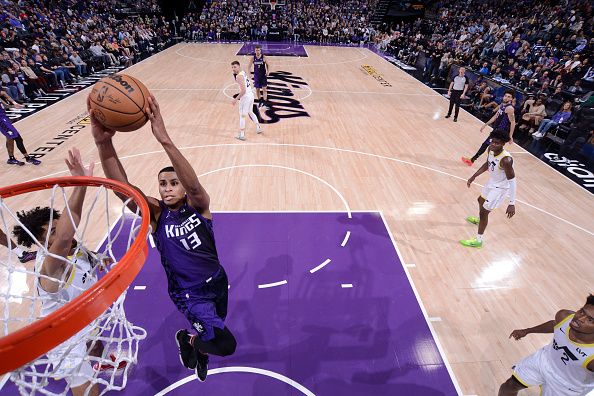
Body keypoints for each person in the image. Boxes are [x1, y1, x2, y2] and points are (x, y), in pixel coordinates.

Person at [91, 94, 237, 382]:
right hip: (190, 294)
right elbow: (123, 190)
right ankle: (190, 342)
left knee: (215, 328)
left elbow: (194, 186)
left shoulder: (199, 206)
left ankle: (200, 346)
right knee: (225, 344)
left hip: (218, 281)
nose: (167, 188)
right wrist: (103, 143)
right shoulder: (157, 215)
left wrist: (164, 138)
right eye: (162, 184)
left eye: (174, 184)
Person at [12, 148, 102, 396]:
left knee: (96, 341)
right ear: (40, 244)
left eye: (55, 227)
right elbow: (65, 236)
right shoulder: (51, 264)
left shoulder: (76, 248)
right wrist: (81, 184)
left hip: (82, 317)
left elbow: (71, 241)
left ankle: (100, 358)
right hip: (63, 335)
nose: (57, 236)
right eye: (47, 235)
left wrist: (99, 261)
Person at [498, 294, 594, 395]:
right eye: (582, 311)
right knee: (509, 386)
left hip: (568, 385)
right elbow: (554, 325)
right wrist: (527, 331)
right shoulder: (564, 316)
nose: (580, 318)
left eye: (590, 320)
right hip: (545, 361)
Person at [460, 129, 516, 248]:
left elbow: (512, 182)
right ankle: (480, 220)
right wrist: (473, 176)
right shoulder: (490, 150)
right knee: (480, 200)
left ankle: (478, 240)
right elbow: (487, 164)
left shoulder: (506, 160)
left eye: (497, 143)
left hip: (500, 188)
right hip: (491, 182)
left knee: (484, 211)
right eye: (492, 142)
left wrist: (512, 203)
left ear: (503, 144)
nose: (493, 144)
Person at [462, 89, 516, 166]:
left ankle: (473, 160)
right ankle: (487, 164)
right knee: (490, 147)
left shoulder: (510, 108)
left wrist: (511, 136)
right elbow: (495, 116)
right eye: (505, 96)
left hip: (501, 132)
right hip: (496, 130)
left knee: (487, 145)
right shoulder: (502, 105)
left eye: (509, 97)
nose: (506, 98)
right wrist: (485, 124)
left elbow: (513, 122)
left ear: (511, 99)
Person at [1, 96, 41, 166]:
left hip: (5, 119)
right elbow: (3, 93)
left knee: (10, 138)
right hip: (2, 122)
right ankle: (27, 158)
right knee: (18, 138)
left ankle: (11, 158)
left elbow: (5, 106)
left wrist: (14, 106)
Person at [231, 60, 262, 141]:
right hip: (250, 94)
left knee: (242, 115)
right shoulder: (243, 72)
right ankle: (258, 127)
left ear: (239, 66)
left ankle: (242, 135)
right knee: (250, 112)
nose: (233, 69)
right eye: (232, 67)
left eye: (235, 67)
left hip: (246, 97)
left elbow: (243, 91)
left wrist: (236, 99)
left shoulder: (239, 76)